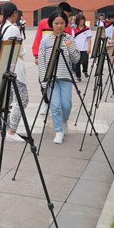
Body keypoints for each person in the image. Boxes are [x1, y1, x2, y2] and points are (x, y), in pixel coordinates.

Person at [38, 10, 80, 144]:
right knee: (55, 106)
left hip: (66, 77)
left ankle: (64, 121)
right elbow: (42, 62)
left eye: (62, 23)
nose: (59, 26)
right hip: (51, 79)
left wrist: (69, 47)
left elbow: (76, 59)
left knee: (66, 105)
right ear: (52, 24)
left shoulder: (69, 39)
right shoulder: (45, 41)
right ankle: (58, 131)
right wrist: (43, 82)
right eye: (56, 23)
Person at [0, 2, 27, 143]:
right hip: (15, 68)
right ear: (14, 13)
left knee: (9, 99)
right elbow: (19, 51)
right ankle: (11, 130)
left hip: (4, 67)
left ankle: (6, 127)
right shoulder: (13, 29)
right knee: (23, 100)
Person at [72, 14, 91, 81]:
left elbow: (89, 39)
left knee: (85, 62)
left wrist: (89, 47)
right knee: (77, 63)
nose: (82, 21)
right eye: (81, 20)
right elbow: (72, 39)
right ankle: (78, 76)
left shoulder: (87, 29)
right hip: (77, 49)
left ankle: (85, 71)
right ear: (78, 21)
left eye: (83, 20)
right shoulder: (74, 29)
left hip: (85, 48)